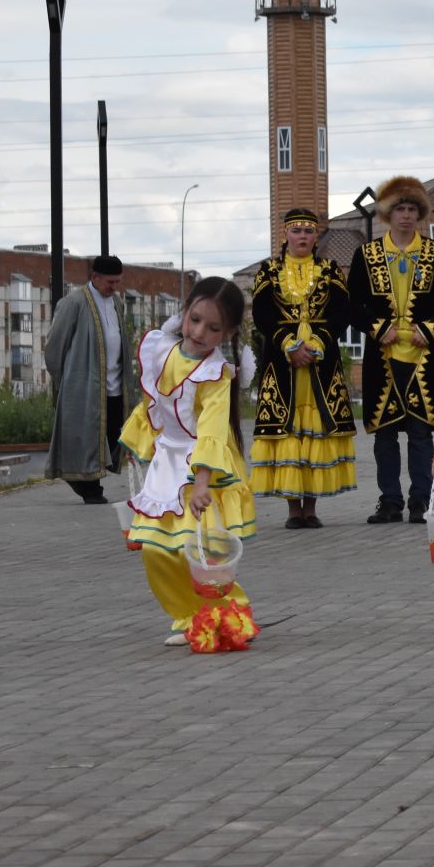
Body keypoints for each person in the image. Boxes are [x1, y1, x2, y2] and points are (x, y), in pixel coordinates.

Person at [119, 278, 259, 652]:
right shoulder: (161, 352)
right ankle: (188, 613)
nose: (199, 332)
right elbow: (153, 405)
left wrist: (201, 484)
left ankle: (232, 613)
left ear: (227, 333)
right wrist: (137, 446)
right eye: (194, 319)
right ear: (184, 313)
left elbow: (212, 430)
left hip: (203, 469)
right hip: (166, 463)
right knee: (154, 548)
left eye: (213, 328)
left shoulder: (216, 376)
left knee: (201, 550)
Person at [349, 175, 434, 525]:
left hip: (422, 357)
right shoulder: (368, 254)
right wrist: (376, 327)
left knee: (419, 433)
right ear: (387, 213)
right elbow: (350, 304)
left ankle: (421, 501)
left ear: (420, 213)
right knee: (384, 433)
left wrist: (432, 327)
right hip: (381, 358)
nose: (405, 215)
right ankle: (389, 501)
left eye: (412, 209)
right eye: (399, 208)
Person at [249, 208, 357, 528]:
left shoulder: (330, 269)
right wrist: (289, 345)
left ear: (316, 236)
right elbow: (262, 314)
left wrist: (319, 342)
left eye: (309, 232)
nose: (302, 237)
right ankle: (293, 510)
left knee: (318, 429)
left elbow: (341, 313)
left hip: (320, 363)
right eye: (296, 231)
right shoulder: (268, 271)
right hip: (282, 363)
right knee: (289, 430)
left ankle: (311, 508)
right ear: (285, 234)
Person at [44, 254, 136, 504]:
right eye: (110, 282)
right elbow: (54, 347)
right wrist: (71, 379)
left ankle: (89, 482)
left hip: (115, 385)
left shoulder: (117, 303)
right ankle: (89, 488)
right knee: (86, 437)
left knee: (109, 435)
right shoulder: (73, 302)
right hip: (84, 386)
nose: (114, 287)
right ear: (94, 277)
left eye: (118, 282)